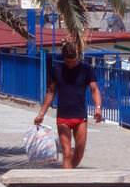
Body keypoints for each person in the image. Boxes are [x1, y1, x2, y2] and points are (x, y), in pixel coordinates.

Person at [34, 41, 102, 169]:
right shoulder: (57, 70)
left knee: (79, 152)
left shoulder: (86, 69)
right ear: (63, 58)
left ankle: (67, 174)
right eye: (68, 61)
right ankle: (66, 184)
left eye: (73, 60)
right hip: (63, 117)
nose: (71, 64)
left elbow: (94, 89)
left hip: (80, 116)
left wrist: (98, 108)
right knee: (66, 153)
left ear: (77, 56)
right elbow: (50, 92)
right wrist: (41, 114)